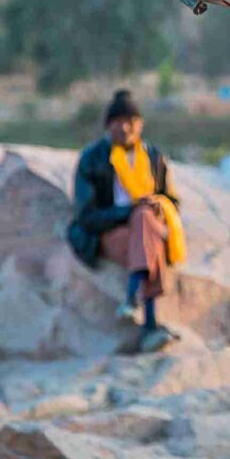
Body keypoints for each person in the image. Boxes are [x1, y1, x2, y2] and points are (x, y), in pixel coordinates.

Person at [68, 89, 187, 353]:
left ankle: (133, 296)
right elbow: (85, 215)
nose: (124, 128)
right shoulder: (93, 158)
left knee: (146, 220)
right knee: (144, 224)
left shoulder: (153, 157)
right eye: (117, 122)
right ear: (108, 125)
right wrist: (129, 212)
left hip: (146, 230)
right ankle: (150, 324)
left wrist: (158, 204)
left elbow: (173, 202)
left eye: (130, 121)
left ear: (140, 125)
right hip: (111, 233)